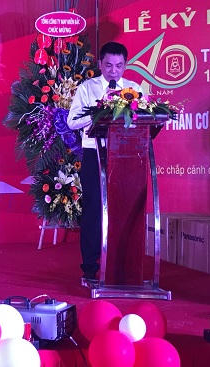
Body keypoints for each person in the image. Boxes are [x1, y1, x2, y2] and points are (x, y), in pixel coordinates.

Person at [67, 41, 142, 280]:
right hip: (94, 153)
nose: (113, 71)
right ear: (100, 64)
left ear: (125, 65)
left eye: (119, 66)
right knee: (93, 209)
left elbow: (143, 118)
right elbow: (72, 121)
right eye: (108, 65)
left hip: (125, 154)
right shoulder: (87, 88)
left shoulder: (134, 88)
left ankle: (122, 264)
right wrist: (97, 113)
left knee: (124, 208)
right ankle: (90, 266)